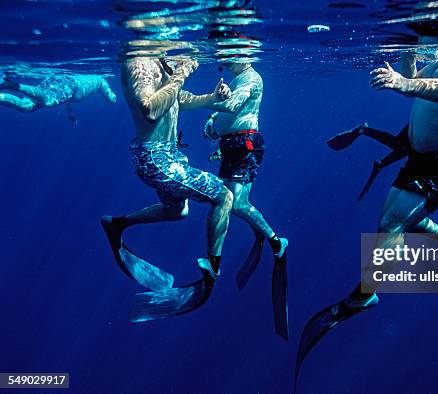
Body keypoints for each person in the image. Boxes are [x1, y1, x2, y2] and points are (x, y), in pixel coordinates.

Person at [294, 35, 438, 385]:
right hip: (422, 159)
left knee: (390, 223)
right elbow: (416, 83)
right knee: (402, 222)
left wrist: (404, 81)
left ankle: (365, 295)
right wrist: (407, 60)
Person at [101, 56, 234, 303]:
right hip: (154, 157)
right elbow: (150, 109)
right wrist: (181, 73)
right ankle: (212, 270)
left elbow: (179, 99)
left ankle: (118, 224)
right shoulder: (139, 63)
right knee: (223, 195)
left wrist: (212, 97)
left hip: (169, 156)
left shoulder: (160, 66)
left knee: (177, 212)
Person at [204, 59, 288, 283]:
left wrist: (206, 101)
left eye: (230, 59)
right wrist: (213, 122)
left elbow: (233, 105)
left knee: (238, 204)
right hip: (230, 145)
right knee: (223, 202)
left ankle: (276, 240)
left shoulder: (251, 78)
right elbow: (229, 112)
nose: (226, 63)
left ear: (246, 57)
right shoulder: (237, 78)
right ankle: (215, 261)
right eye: (224, 61)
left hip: (246, 145)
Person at [0, 73, 117, 123]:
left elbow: (66, 99)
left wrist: (71, 113)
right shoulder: (101, 81)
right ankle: (10, 85)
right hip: (69, 84)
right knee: (49, 102)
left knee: (27, 106)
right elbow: (112, 99)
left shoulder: (94, 80)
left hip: (60, 80)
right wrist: (111, 98)